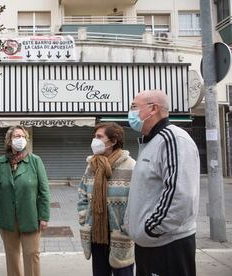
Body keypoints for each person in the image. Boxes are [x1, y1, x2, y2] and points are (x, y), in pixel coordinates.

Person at [124, 90, 200, 276]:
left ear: (153, 109)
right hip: (150, 245)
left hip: (167, 247)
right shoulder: (151, 142)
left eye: (134, 106)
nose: (130, 112)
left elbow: (181, 196)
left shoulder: (173, 139)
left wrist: (150, 230)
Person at [0, 125, 51, 276]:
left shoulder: (35, 161)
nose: (20, 139)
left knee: (32, 254)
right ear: (9, 141)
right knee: (12, 256)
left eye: (22, 136)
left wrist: (44, 216)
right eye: (16, 136)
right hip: (7, 218)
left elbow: (44, 190)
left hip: (30, 217)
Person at [77, 122, 135, 276]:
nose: (94, 140)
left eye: (99, 137)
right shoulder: (91, 166)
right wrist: (84, 218)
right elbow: (82, 193)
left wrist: (126, 227)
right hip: (97, 234)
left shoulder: (131, 167)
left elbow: (137, 201)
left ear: (113, 141)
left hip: (121, 236)